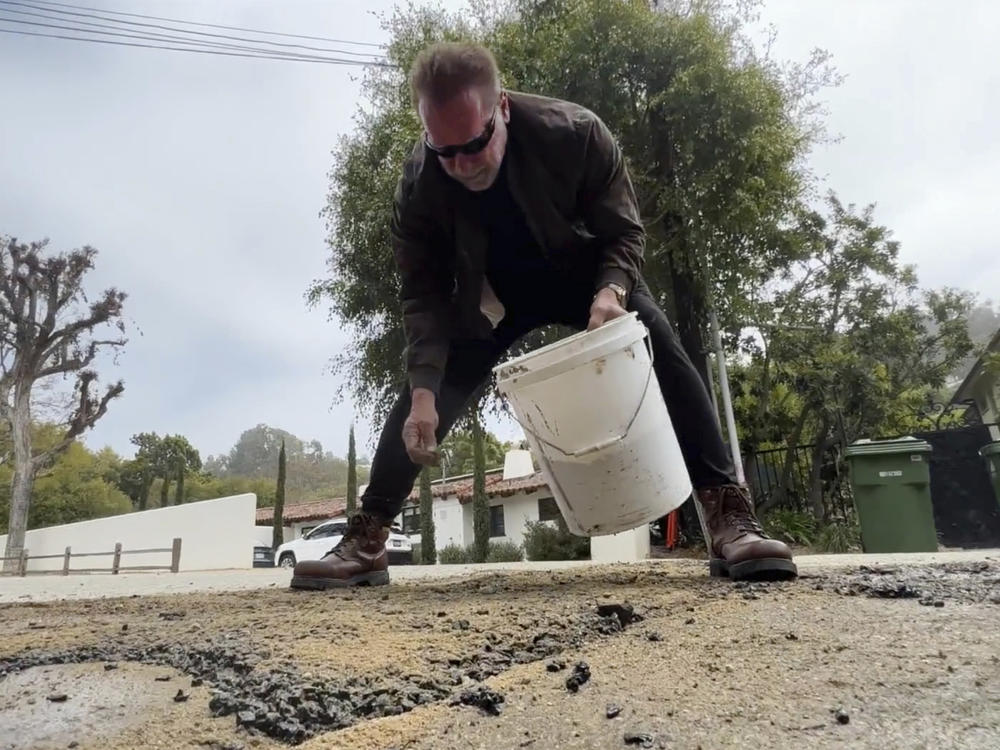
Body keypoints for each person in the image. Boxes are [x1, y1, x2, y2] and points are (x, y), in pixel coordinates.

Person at [291, 42, 796, 589]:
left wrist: (611, 293)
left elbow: (625, 231)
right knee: (425, 398)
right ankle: (367, 538)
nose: (461, 165)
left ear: (502, 107)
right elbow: (423, 295)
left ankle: (730, 519)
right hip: (492, 296)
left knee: (662, 348)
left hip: (588, 275)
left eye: (475, 143)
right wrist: (422, 392)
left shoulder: (576, 134)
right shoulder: (419, 186)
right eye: (444, 151)